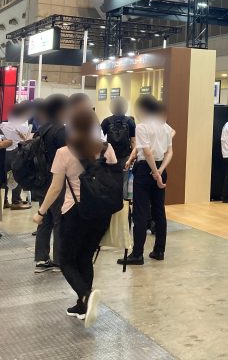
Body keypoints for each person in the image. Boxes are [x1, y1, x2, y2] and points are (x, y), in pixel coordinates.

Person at [32, 107, 118, 326]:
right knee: (85, 257)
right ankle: (82, 306)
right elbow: (116, 178)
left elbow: (55, 188)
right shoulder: (107, 148)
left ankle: (86, 296)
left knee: (65, 260)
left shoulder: (64, 153)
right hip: (101, 213)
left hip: (75, 213)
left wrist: (41, 212)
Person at [118, 95, 173, 265]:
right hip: (161, 167)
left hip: (145, 169)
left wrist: (154, 172)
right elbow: (169, 152)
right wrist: (160, 171)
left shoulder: (141, 127)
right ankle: (159, 251)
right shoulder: (165, 127)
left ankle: (137, 254)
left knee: (140, 212)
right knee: (159, 211)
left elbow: (147, 152)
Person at [33, 94, 68, 273]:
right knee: (59, 219)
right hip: (57, 180)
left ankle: (41, 258)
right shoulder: (61, 130)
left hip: (42, 179)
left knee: (45, 217)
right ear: (61, 110)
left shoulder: (42, 129)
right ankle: (60, 260)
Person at [2, 102, 33, 209]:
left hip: (5, 153)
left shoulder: (3, 124)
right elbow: (27, 138)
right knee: (18, 176)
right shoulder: (23, 124)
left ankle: (4, 200)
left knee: (4, 177)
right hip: (17, 152)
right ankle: (16, 201)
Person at [101, 97, 136, 171]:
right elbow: (133, 141)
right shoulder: (130, 121)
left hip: (110, 155)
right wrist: (133, 156)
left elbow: (99, 139)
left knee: (110, 175)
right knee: (124, 176)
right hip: (125, 155)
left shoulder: (106, 121)